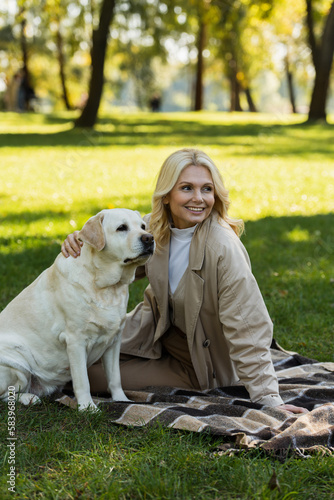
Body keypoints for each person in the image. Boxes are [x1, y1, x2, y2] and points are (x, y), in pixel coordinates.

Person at [62, 148, 307, 414]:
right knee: (66, 360)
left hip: (197, 361)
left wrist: (269, 399)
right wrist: (83, 238)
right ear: (166, 195)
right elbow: (112, 254)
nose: (199, 199)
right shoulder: (152, 229)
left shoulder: (223, 249)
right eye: (187, 188)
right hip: (151, 336)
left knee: (77, 377)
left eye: (207, 189)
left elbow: (248, 327)